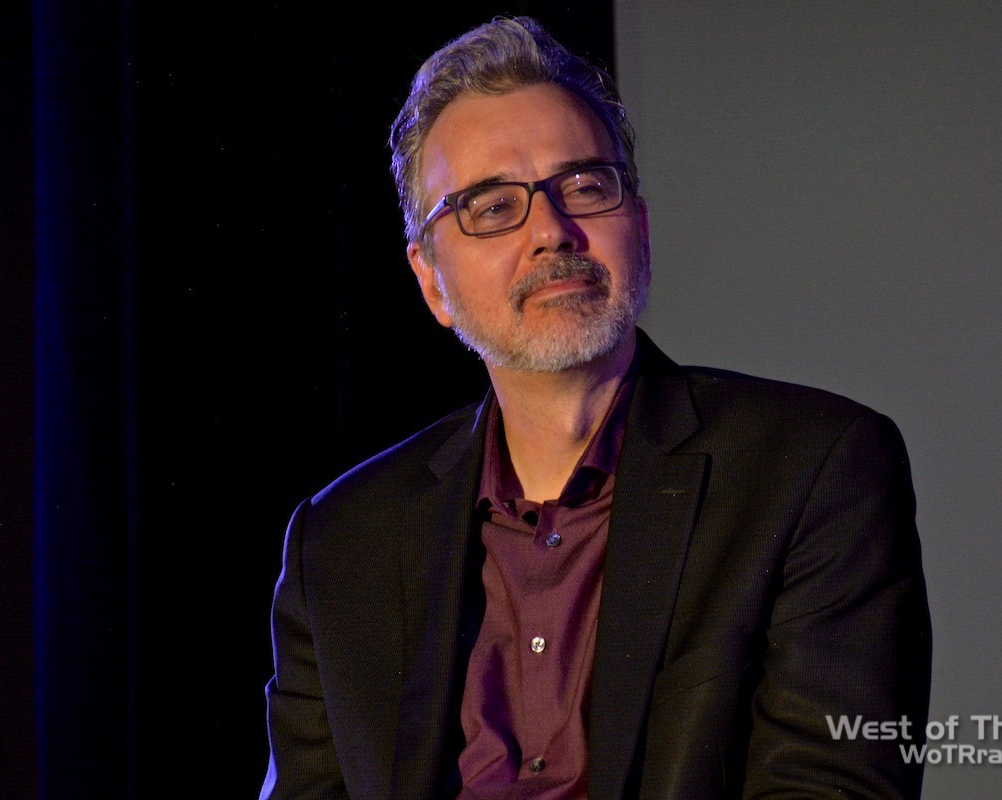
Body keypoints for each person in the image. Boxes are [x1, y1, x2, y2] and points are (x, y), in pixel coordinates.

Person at [259, 15, 932, 800]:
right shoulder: (341, 543)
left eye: (584, 184)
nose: (551, 231)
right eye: (491, 205)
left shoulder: (812, 469)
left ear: (638, 226)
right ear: (430, 280)